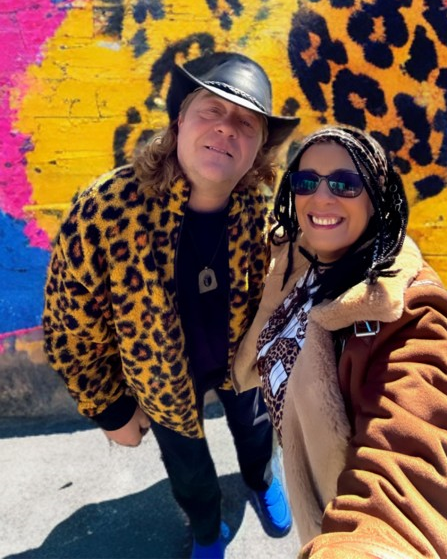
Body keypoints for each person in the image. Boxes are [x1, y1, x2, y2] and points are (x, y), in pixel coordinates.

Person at [43, 51, 300, 559]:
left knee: (256, 431)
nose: (226, 128)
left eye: (246, 122)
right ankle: (206, 529)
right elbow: (69, 324)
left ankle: (260, 478)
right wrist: (110, 408)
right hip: (160, 380)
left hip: (240, 364)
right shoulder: (107, 210)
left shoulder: (258, 208)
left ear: (258, 148)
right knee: (188, 467)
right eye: (212, 110)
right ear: (180, 120)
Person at [233, 125, 447, 559]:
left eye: (345, 184)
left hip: (342, 525)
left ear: (377, 198)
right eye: (307, 181)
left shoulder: (409, 312)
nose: (322, 197)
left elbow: (410, 474)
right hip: (311, 499)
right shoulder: (299, 254)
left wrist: (364, 548)